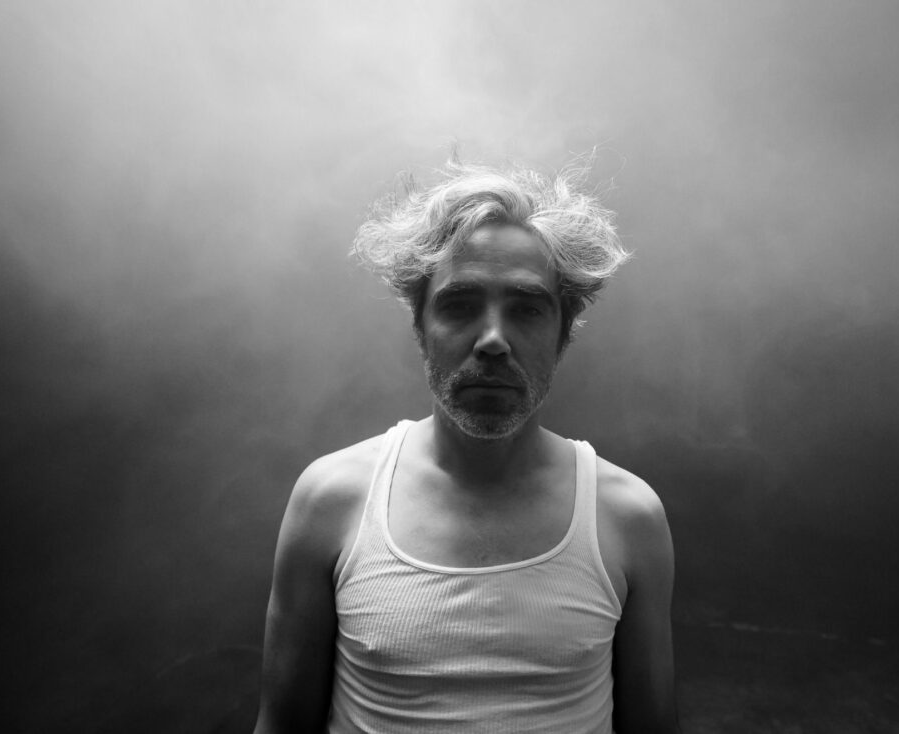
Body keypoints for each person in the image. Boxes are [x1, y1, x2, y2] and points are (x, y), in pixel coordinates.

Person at [253, 157, 677, 733]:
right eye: (459, 305)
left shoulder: (627, 516)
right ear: (419, 326)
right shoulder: (332, 499)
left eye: (526, 309)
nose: (493, 339)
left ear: (562, 335)